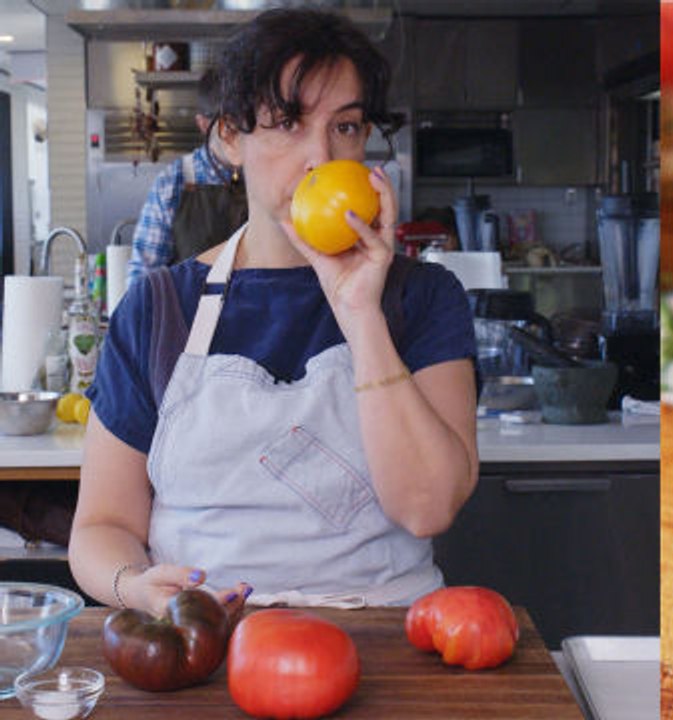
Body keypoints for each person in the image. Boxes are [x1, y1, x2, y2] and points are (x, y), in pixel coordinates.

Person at [71, 8, 479, 618]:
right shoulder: (159, 309)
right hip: (205, 646)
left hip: (389, 644)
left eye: (344, 127)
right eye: (288, 123)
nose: (320, 156)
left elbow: (428, 507)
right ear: (231, 138)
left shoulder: (421, 298)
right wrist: (134, 585)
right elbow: (101, 525)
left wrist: (361, 313)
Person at [127, 67, 248, 284]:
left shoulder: (266, 176)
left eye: (245, 123)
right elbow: (143, 280)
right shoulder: (172, 183)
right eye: (228, 125)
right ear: (203, 124)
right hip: (190, 317)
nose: (237, 135)